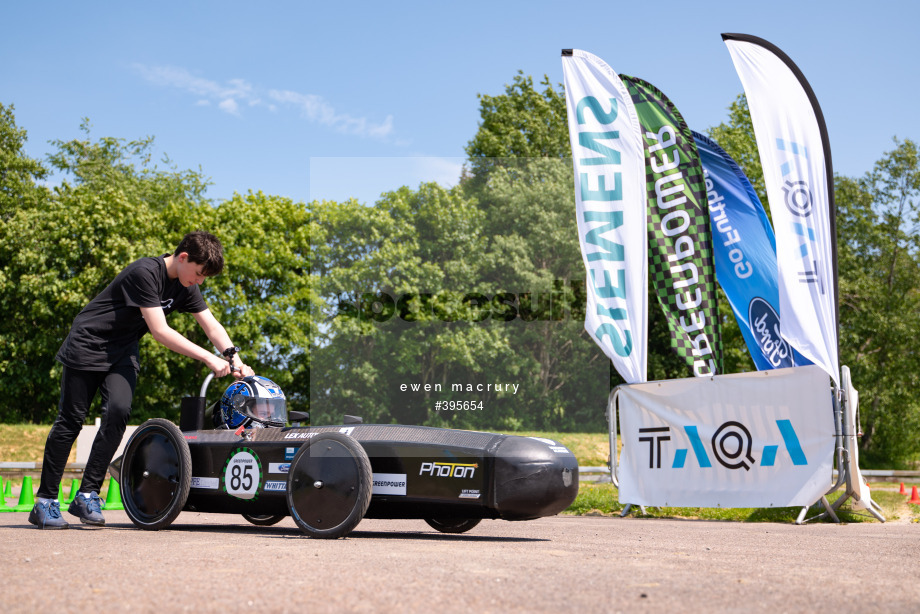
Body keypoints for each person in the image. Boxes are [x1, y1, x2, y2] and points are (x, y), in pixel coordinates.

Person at [29, 231, 254, 529]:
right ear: (184, 257)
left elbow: (211, 325)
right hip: (89, 343)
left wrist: (232, 357)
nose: (199, 281)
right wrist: (207, 358)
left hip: (122, 352)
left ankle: (86, 494)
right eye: (199, 274)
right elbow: (160, 331)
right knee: (71, 419)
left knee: (118, 413)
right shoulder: (145, 273)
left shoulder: (187, 285)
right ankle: (45, 501)